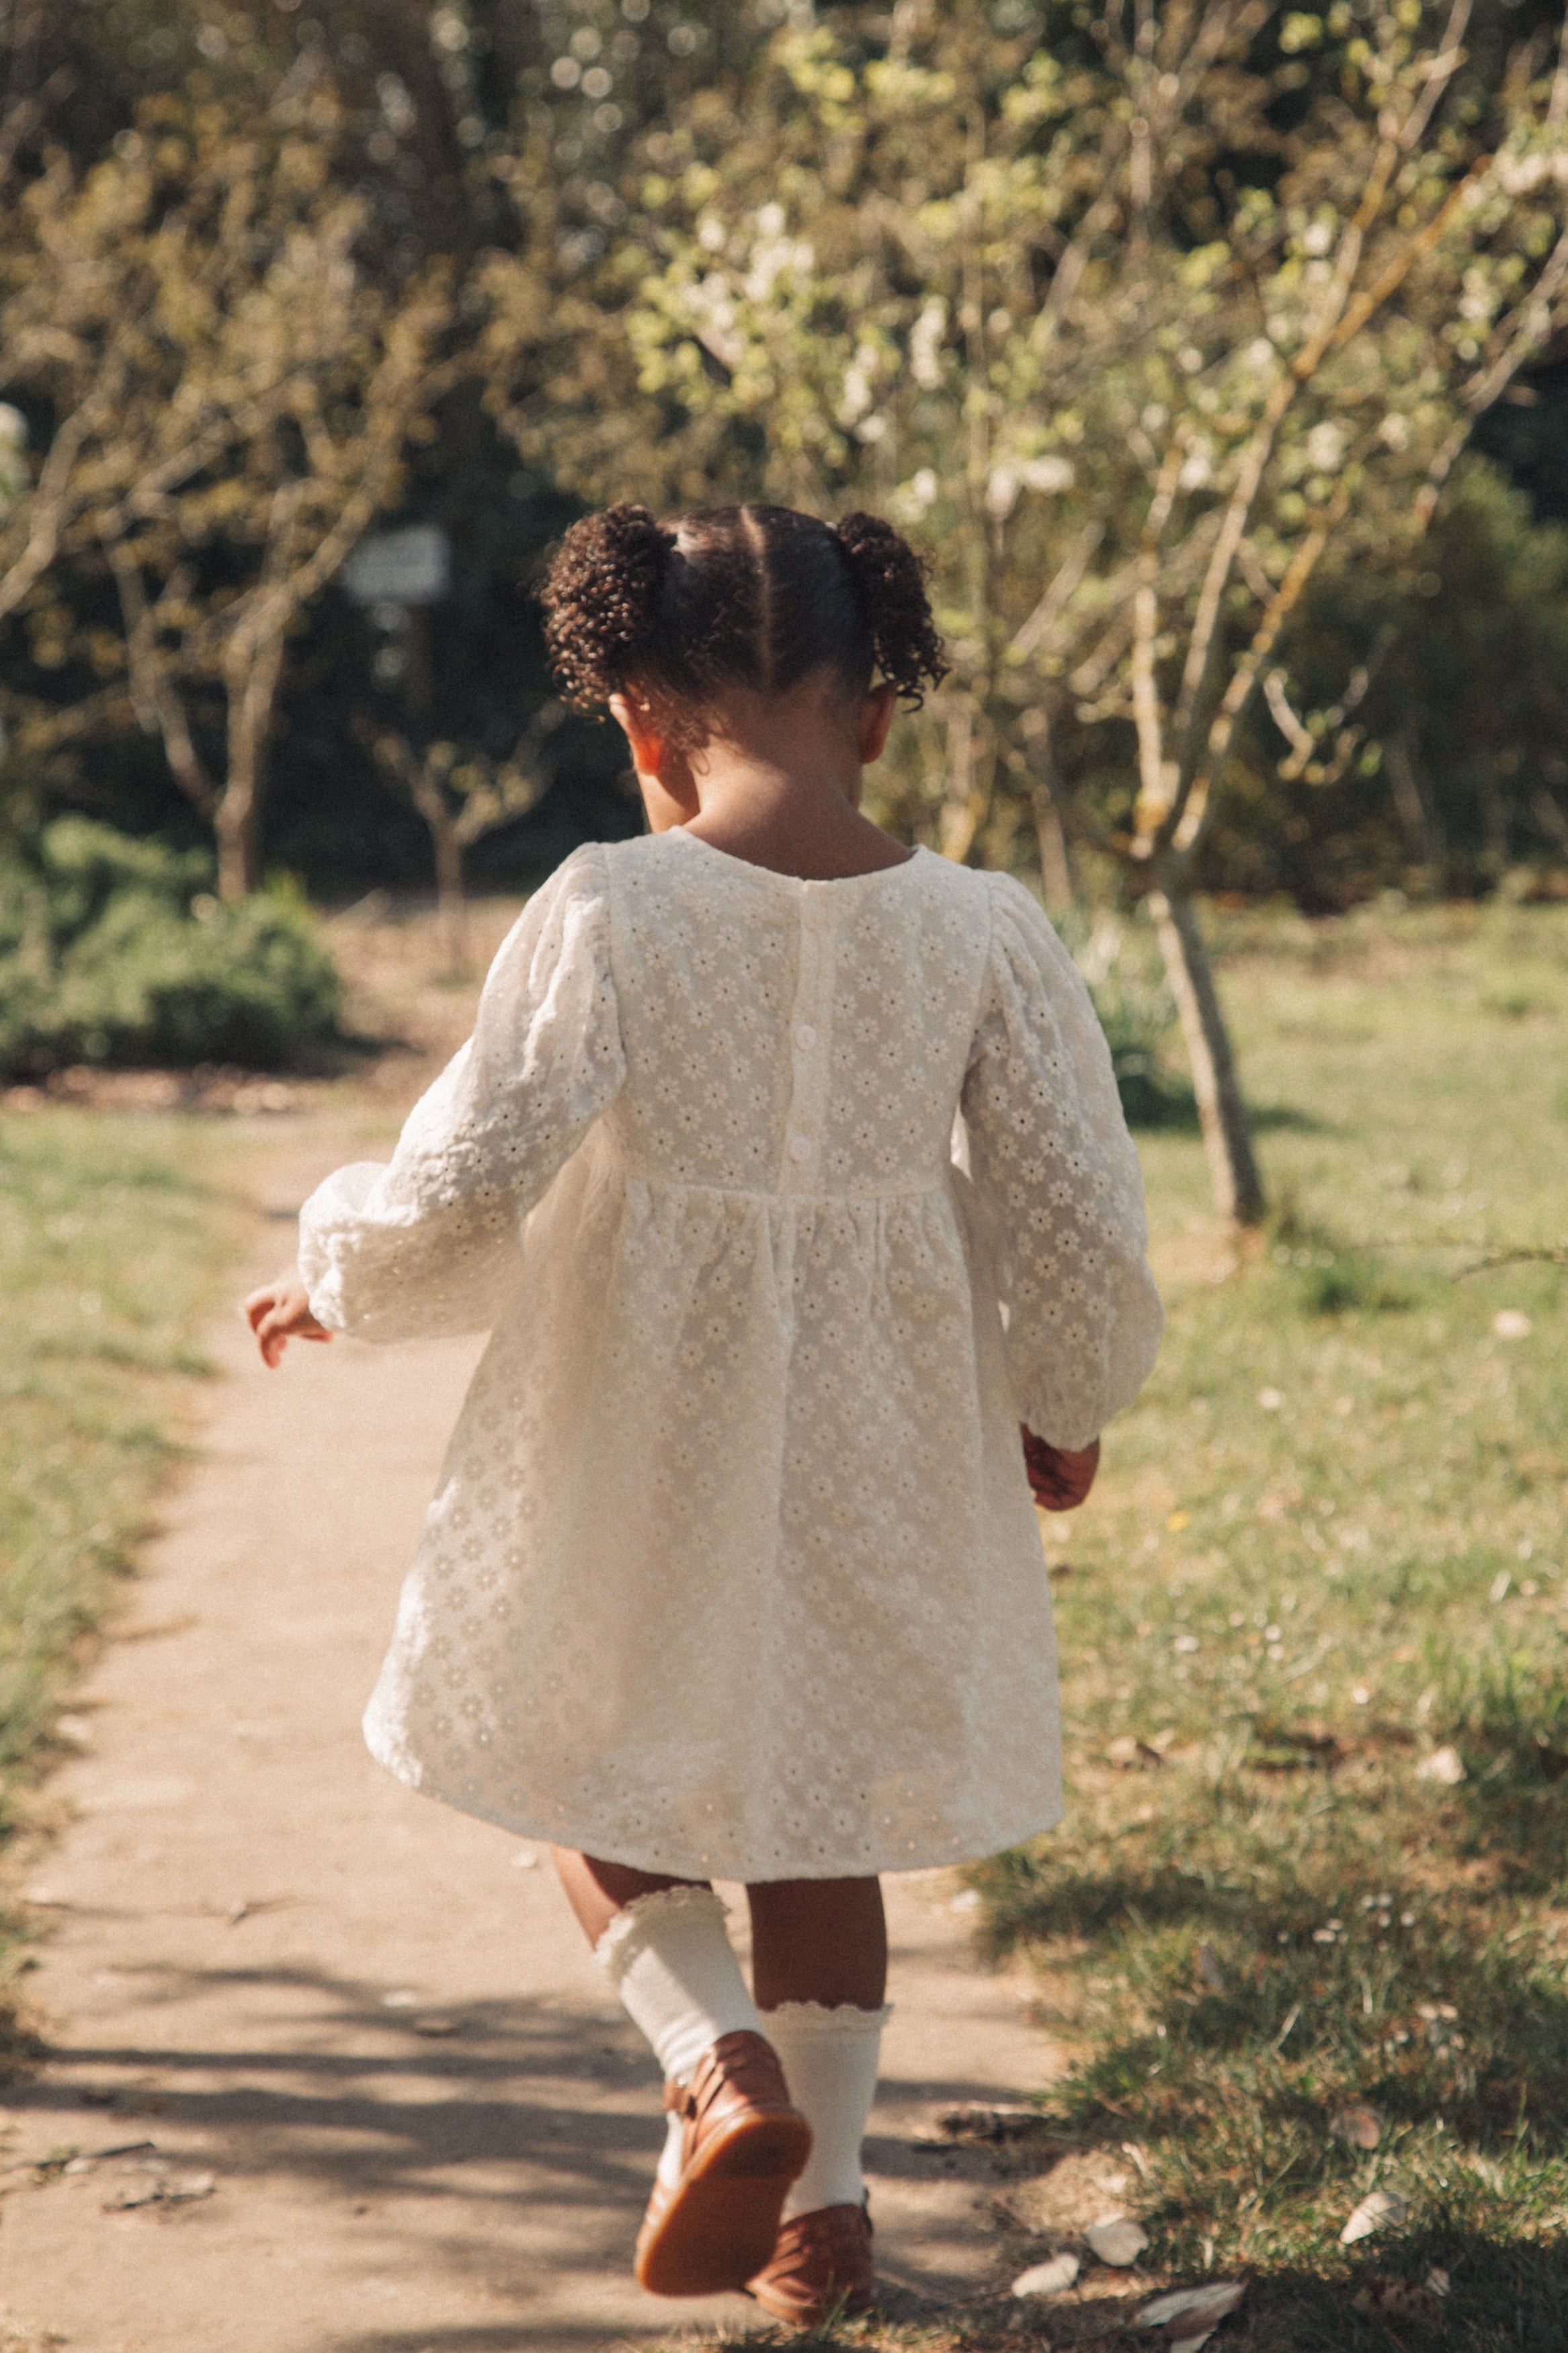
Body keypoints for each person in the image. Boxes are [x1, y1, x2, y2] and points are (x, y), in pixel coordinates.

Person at [244, 502, 1163, 2327]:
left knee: (578, 1757)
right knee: (821, 1809)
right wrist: (1065, 1395)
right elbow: (1078, 1203)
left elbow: (476, 1166)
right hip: (890, 1424)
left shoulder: (611, 901)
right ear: (881, 709)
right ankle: (822, 2213)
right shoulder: (985, 924)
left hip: (643, 1407)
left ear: (639, 719)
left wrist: (344, 1269)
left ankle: (708, 2056)